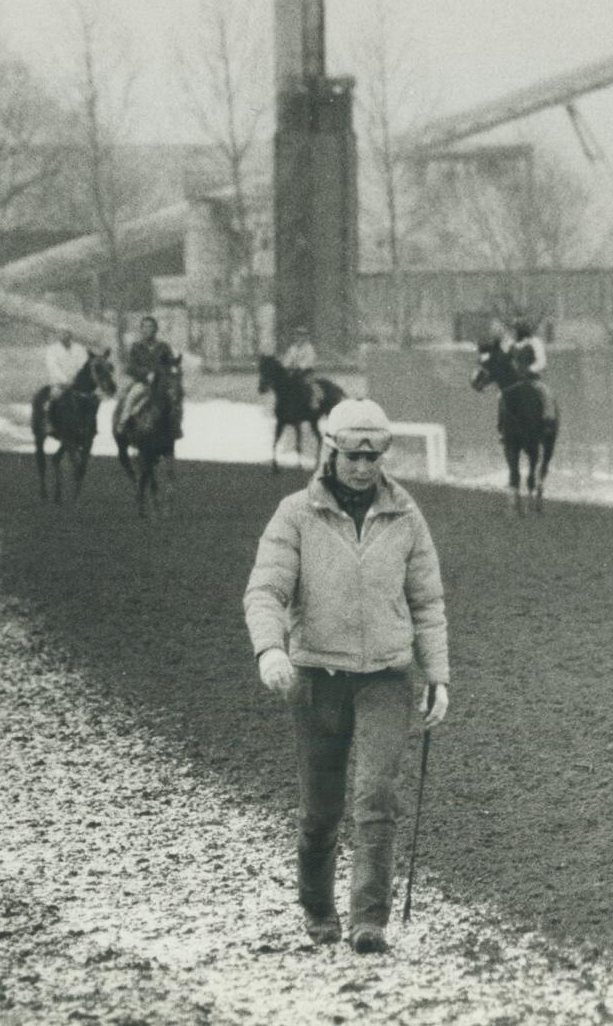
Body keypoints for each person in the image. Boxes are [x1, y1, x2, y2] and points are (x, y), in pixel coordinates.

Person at [244, 398, 450, 955]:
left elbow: (427, 601)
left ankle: (369, 920)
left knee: (377, 796)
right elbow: (265, 590)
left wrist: (438, 675)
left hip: (387, 677)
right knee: (321, 811)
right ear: (330, 452)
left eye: (373, 456)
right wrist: (271, 650)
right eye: (352, 456)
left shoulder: (407, 516)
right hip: (315, 679)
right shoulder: (295, 514)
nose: (362, 468)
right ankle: (317, 909)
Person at [118, 315, 182, 438]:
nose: (147, 329)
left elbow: (170, 364)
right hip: (143, 384)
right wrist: (145, 374)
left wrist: (164, 372)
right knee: (132, 396)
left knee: (174, 400)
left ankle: (175, 427)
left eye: (150, 326)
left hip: (161, 384)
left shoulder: (163, 347)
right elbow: (130, 367)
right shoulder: (136, 347)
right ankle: (123, 422)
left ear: (155, 329)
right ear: (141, 329)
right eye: (144, 327)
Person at [44, 329, 89, 430]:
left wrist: (77, 378)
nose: (65, 335)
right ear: (58, 335)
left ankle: (90, 423)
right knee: (54, 398)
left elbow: (83, 365)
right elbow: (53, 367)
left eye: (67, 333)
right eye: (62, 333)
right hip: (60, 383)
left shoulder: (79, 349)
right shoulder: (52, 350)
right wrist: (65, 380)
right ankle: (49, 423)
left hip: (77, 382)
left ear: (71, 334)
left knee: (90, 398)